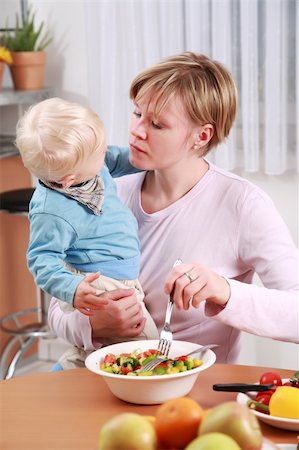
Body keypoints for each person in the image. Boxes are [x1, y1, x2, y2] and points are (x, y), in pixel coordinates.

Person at [48, 52, 299, 367]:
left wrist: (223, 290)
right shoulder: (108, 193)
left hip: (193, 395)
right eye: (137, 113)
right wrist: (92, 326)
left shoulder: (242, 205)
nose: (137, 131)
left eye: (157, 124)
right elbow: (58, 305)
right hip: (107, 381)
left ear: (201, 136)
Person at [15, 98, 158, 364]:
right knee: (146, 349)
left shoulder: (90, 166)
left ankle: (70, 369)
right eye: (99, 153)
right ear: (70, 180)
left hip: (122, 276)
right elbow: (40, 260)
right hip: (99, 282)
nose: (105, 153)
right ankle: (70, 372)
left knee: (103, 352)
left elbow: (117, 159)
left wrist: (150, 158)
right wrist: (74, 287)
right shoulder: (51, 210)